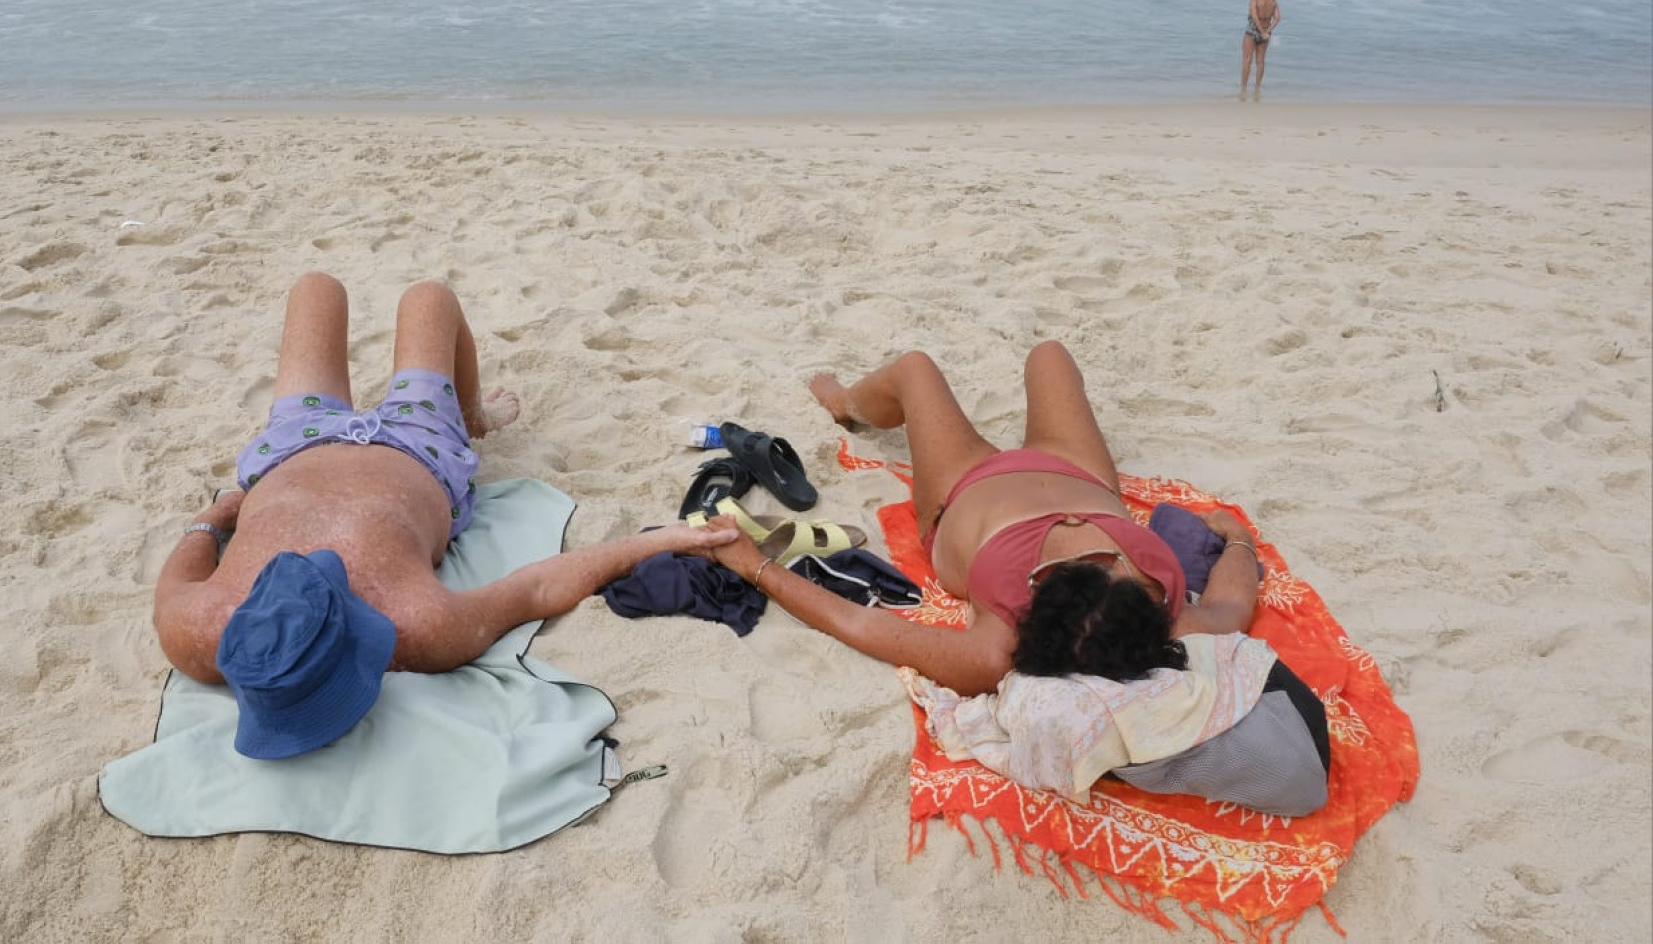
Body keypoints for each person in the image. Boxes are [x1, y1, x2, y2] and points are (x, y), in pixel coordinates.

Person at [152, 272, 736, 758]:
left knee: (315, 287)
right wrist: (662, 540)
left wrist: (212, 519)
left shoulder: (196, 632)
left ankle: (476, 416)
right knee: (429, 298)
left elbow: (184, 563)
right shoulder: (416, 627)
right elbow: (537, 588)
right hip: (418, 447)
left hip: (296, 447)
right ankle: (469, 418)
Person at [697, 343, 1260, 697]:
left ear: (1032, 606)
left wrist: (756, 568)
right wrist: (1237, 540)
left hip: (962, 486)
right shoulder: (1166, 618)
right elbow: (1232, 606)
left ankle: (847, 404)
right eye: (1113, 566)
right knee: (1050, 355)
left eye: (1054, 571)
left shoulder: (996, 651)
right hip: (1080, 475)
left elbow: (864, 627)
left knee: (916, 369)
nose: (1076, 546)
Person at [1240, 0, 1282, 98]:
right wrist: (1267, 31)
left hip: (1252, 31)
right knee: (1261, 62)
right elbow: (1278, 18)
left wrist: (1260, 31)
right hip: (1265, 32)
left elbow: (1254, 16)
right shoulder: (1273, 0)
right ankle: (1257, 90)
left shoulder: (1255, 0)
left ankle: (1243, 90)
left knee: (1247, 60)